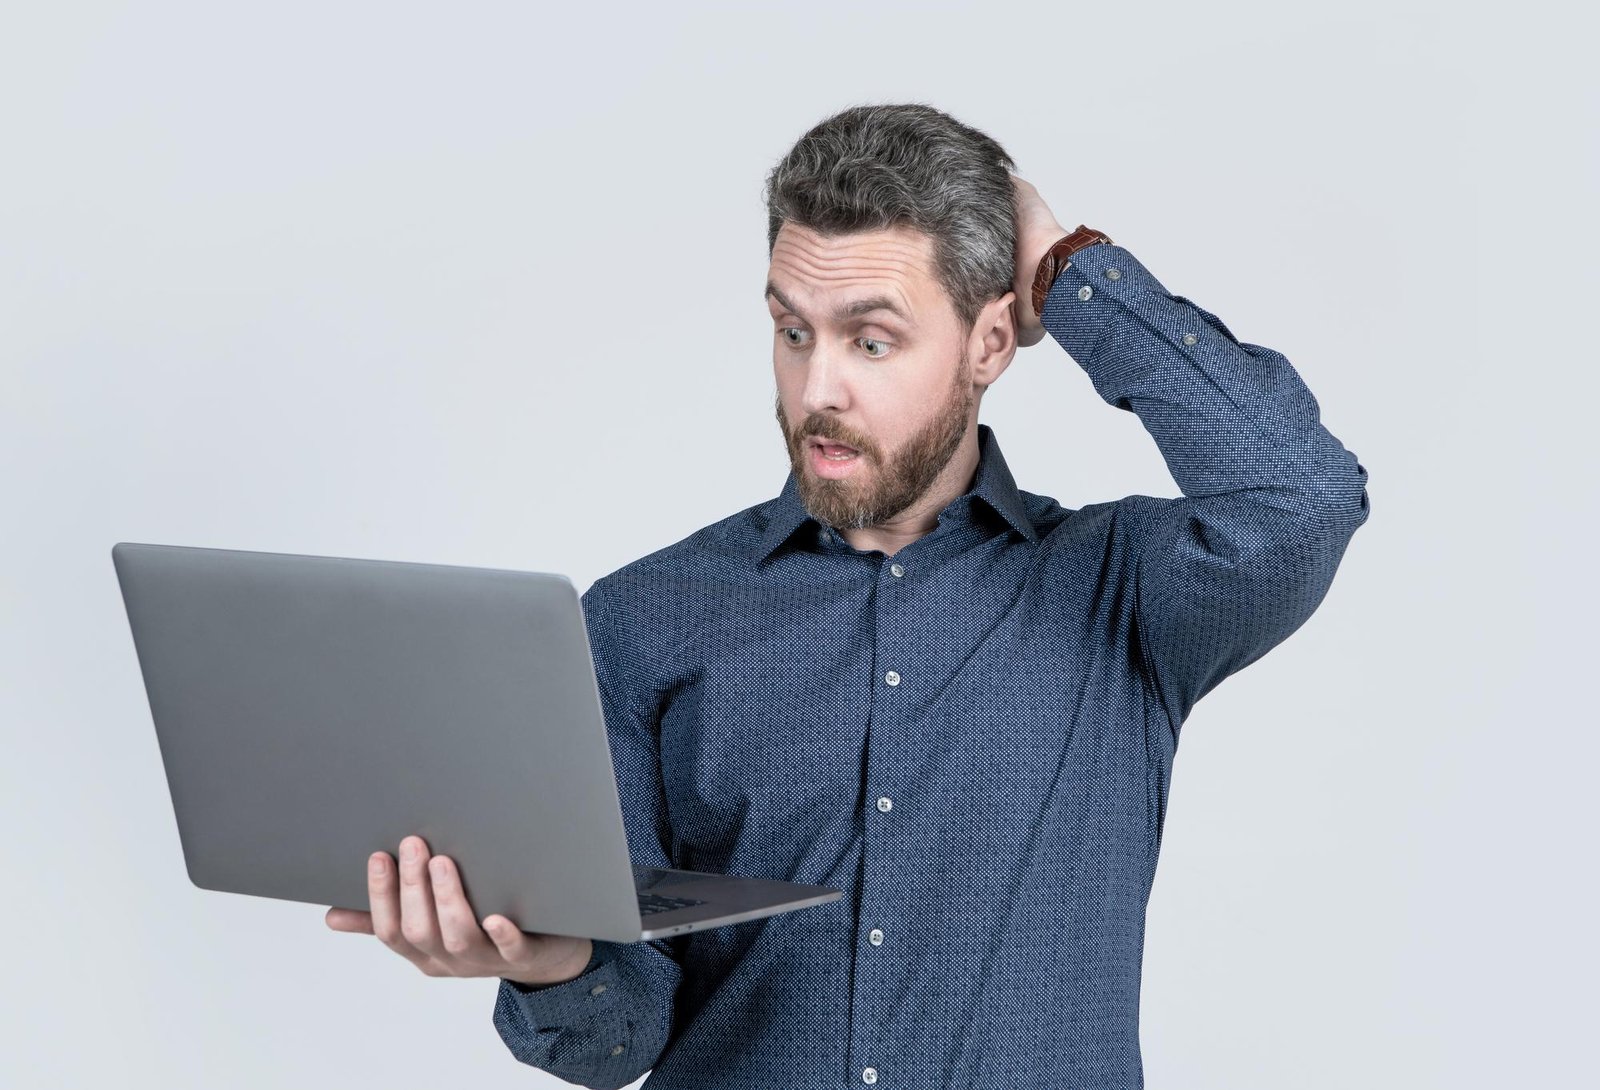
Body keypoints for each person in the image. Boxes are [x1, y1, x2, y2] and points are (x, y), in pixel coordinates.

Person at [326, 102, 1371, 1090]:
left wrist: (1071, 272)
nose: (818, 385)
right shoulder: (645, 618)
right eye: (793, 331)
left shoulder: (1118, 592)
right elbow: (618, 1035)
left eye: (870, 339)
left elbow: (1303, 500)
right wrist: (550, 960)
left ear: (990, 343)